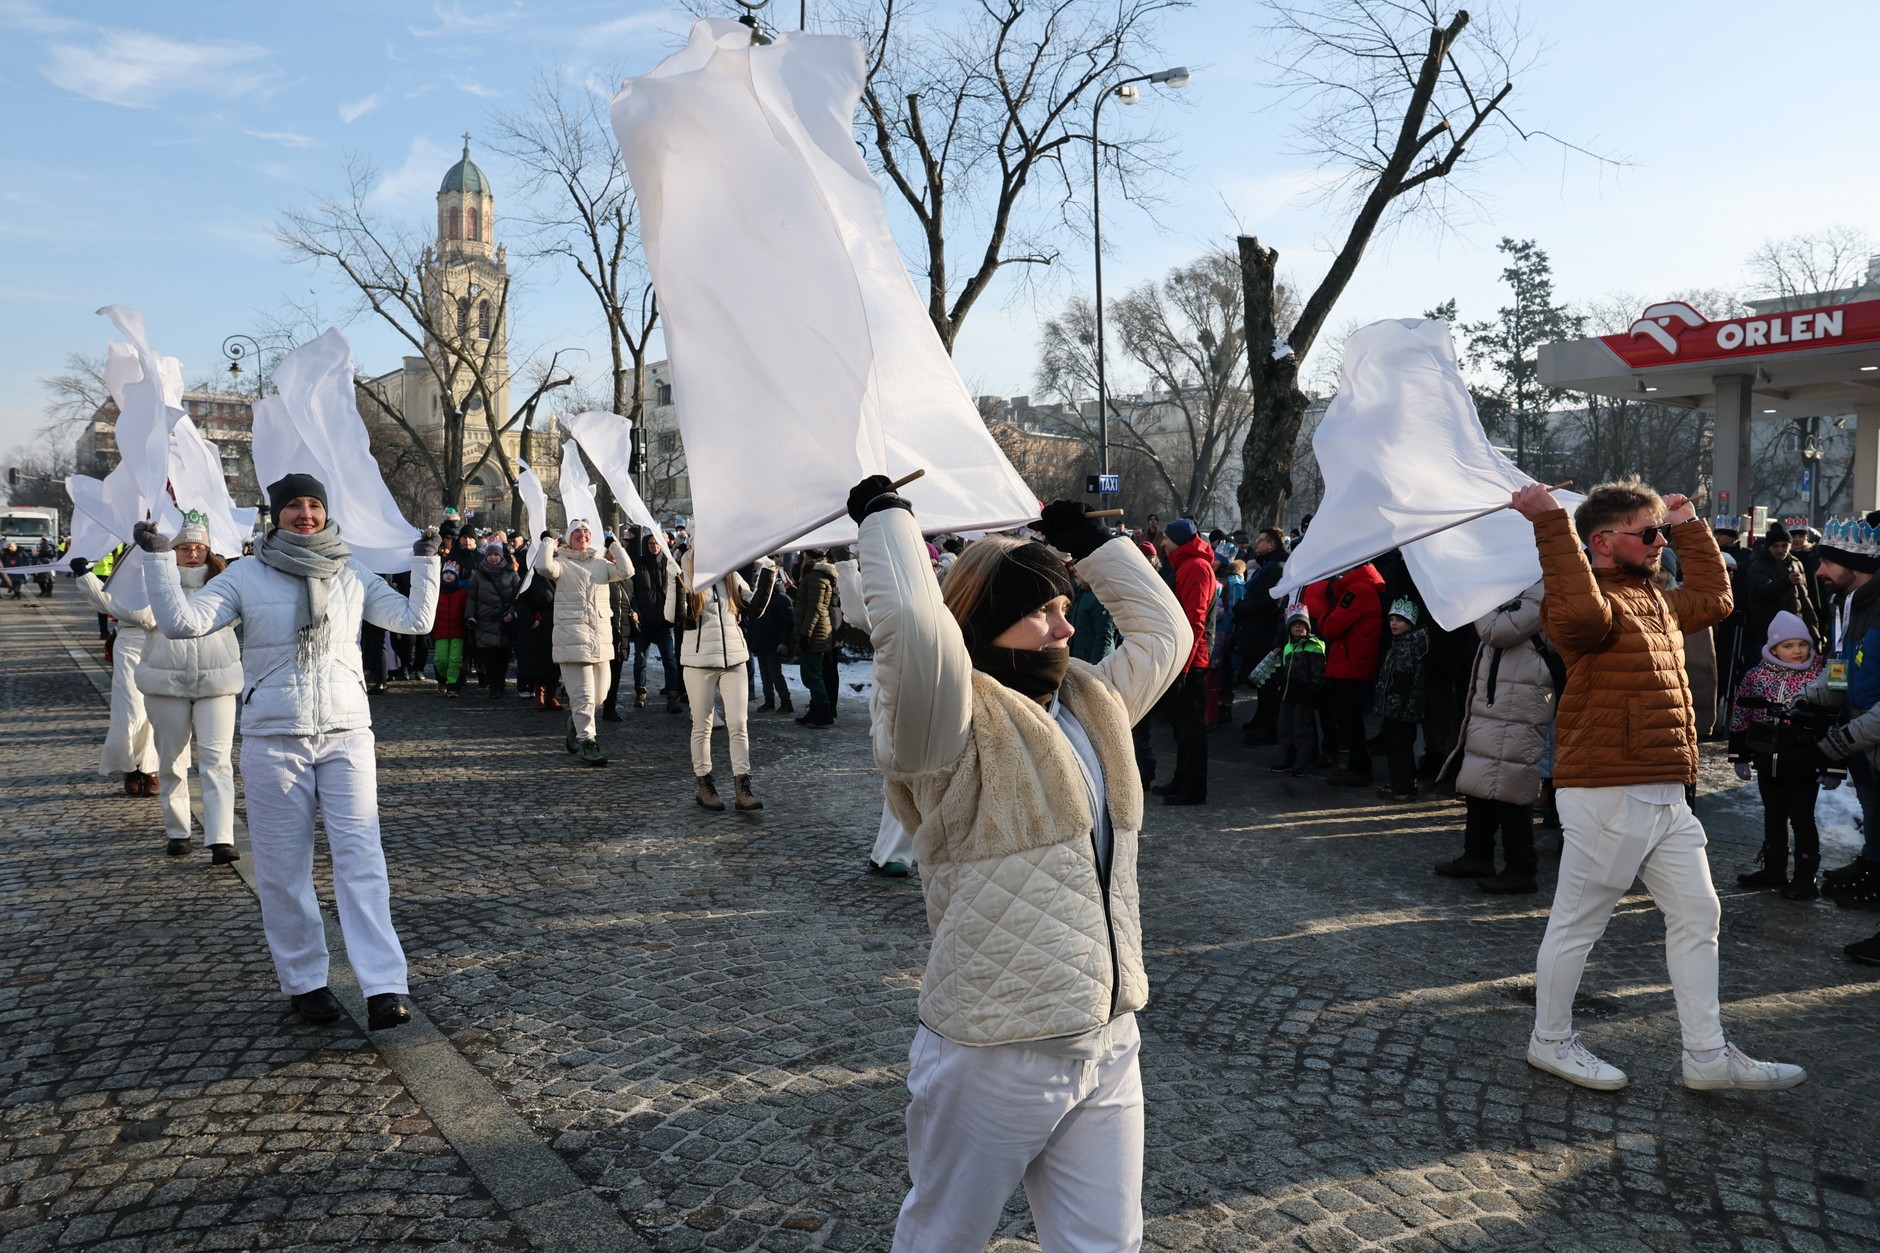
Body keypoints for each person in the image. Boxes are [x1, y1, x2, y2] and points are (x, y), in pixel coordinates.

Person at [850, 479, 1187, 1253]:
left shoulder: (1089, 700)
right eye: (1044, 610)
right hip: (995, 1047)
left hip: (1107, 1035)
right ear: (990, 622)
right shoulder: (944, 722)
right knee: (943, 1239)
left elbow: (1166, 635)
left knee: (1108, 1245)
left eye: (1064, 604)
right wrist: (887, 518)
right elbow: (913, 624)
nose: (1067, 624)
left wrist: (1095, 546)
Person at [1510, 478, 1804, 1092]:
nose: (1657, 543)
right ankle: (1550, 1040)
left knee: (1699, 913)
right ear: (1602, 541)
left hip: (1666, 789)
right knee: (1578, 923)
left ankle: (1705, 1055)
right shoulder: (1581, 602)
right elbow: (1585, 617)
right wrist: (1550, 526)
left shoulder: (1656, 598)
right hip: (1609, 789)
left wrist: (1689, 523)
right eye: (1648, 534)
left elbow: (1717, 599)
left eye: (1660, 534)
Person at [142, 473, 440, 1031]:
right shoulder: (246, 575)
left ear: (325, 512)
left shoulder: (351, 572)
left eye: (314, 505)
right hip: (274, 737)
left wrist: (425, 562)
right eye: (295, 506)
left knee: (362, 863)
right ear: (276, 514)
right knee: (283, 871)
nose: (305, 514)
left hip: (347, 732)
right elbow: (183, 624)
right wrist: (159, 558)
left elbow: (413, 620)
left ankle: (383, 987)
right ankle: (306, 981)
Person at [106, 524, 243, 861]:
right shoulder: (153, 585)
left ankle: (221, 839)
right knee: (171, 763)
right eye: (184, 548)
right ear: (172, 552)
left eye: (199, 548)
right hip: (167, 686)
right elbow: (134, 612)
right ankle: (178, 831)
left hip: (217, 685)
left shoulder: (225, 585)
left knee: (217, 763)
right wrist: (153, 565)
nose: (193, 554)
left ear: (209, 552)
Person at [1435, 582, 1556, 894]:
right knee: (1480, 774)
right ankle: (1477, 855)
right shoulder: (1517, 587)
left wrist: (1480, 596)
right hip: (1502, 694)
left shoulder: (1542, 589)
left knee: (1512, 781)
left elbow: (1496, 630)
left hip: (1522, 696)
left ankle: (1521, 868)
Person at [1791, 520, 1880, 931]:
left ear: (1854, 564)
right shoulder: (1848, 602)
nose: (1818, 571)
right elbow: (1843, 669)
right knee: (1872, 807)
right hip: (1864, 737)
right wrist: (1805, 700)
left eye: (1826, 562)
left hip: (1868, 732)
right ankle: (1873, 867)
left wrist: (1842, 740)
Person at [1727, 610, 1825, 898]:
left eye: (1802, 644)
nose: (1797, 651)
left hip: (1802, 760)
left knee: (1802, 816)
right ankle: (1774, 869)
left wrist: (1833, 765)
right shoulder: (1758, 675)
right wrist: (1739, 755)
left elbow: (1832, 718)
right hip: (1766, 756)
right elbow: (1741, 713)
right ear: (1773, 648)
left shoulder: (1819, 676)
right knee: (1773, 813)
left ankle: (1806, 877)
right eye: (1788, 646)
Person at [667, 550, 773, 810]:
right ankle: (705, 785)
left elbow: (754, 609)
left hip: (735, 660)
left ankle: (743, 787)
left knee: (739, 724)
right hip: (698, 662)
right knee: (702, 726)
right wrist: (674, 581)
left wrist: (768, 571)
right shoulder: (686, 575)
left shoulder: (731, 575)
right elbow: (674, 617)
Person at [533, 520, 634, 766]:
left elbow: (627, 571)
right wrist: (548, 540)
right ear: (568, 538)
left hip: (600, 638)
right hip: (572, 638)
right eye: (577, 532)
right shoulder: (562, 564)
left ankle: (575, 721)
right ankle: (589, 741)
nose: (582, 535)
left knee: (600, 695)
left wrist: (613, 543)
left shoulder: (601, 564)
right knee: (584, 695)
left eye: (586, 532)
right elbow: (543, 567)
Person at [76, 552, 160, 795]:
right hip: (129, 642)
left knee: (158, 709)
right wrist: (86, 575)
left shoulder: (167, 572)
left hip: (162, 642)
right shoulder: (125, 575)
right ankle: (131, 767)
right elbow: (107, 601)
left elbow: (145, 614)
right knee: (129, 708)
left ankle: (151, 769)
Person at [1154, 517, 1216, 806]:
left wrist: (1185, 665)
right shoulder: (1189, 564)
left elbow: (1195, 620)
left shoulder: (1195, 567)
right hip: (1186, 658)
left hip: (1190, 661)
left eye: (1167, 538)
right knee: (1182, 727)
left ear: (1179, 540)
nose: (1162, 543)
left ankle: (1192, 788)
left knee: (1190, 728)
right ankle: (1182, 780)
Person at [1312, 561, 1386, 786]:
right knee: (1348, 718)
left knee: (1350, 719)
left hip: (1350, 663)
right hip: (1349, 661)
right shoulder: (1360, 588)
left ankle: (1359, 767)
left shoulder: (1358, 590)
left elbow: (1331, 626)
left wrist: (1324, 616)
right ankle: (1357, 765)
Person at [1249, 604, 1325, 776]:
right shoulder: (1288, 647)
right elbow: (1283, 669)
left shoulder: (1315, 646)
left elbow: (1318, 674)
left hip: (1304, 696)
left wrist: (1313, 693)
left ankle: (1301, 763)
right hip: (1287, 694)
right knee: (1284, 728)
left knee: (1301, 730)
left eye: (1302, 624)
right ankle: (1285, 760)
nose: (1298, 627)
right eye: (1294, 624)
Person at [1736, 522, 1820, 665]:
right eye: (1776, 546)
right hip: (1768, 631)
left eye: (1784, 545)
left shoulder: (1796, 563)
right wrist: (1785, 581)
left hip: (1796, 630)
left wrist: (1813, 630)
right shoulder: (1758, 565)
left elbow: (1805, 599)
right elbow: (1762, 590)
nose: (1780, 550)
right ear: (1768, 547)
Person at [1373, 598, 1428, 801]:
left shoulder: (1406, 646)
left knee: (1399, 748)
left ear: (1410, 623)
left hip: (1400, 711)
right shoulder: (1401, 643)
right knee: (1399, 747)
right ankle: (1402, 783)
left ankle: (1403, 787)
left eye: (1400, 620)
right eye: (1392, 619)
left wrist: (1393, 711)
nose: (1394, 624)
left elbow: (1401, 683)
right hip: (1401, 710)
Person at [629, 532, 681, 713]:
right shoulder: (638, 564)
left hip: (664, 623)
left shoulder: (669, 565)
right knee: (640, 661)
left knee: (670, 661)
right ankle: (640, 692)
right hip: (644, 622)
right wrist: (634, 610)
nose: (654, 546)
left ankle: (672, 696)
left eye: (657, 543)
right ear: (646, 544)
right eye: (651, 543)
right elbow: (632, 592)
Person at [465, 541, 520, 699]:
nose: (493, 558)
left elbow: (518, 597)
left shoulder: (511, 573)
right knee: (489, 657)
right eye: (490, 555)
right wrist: (470, 615)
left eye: (496, 554)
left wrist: (511, 613)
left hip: (505, 622)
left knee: (503, 656)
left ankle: (501, 681)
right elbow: (472, 598)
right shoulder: (479, 575)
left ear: (501, 556)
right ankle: (493, 686)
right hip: (485, 621)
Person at [792, 547, 839, 727]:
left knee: (811, 675)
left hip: (815, 633)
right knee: (812, 674)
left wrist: (805, 633)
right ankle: (815, 710)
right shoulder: (815, 574)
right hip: (816, 630)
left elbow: (816, 608)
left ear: (807, 554)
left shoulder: (816, 576)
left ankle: (823, 712)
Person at [429, 562, 469, 697]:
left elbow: (466, 610)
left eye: (451, 573)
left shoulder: (462, 593)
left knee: (455, 659)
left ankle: (453, 686)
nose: (448, 575)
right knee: (441, 659)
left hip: (458, 632)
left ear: (456, 576)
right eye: (446, 573)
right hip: (441, 631)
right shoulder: (437, 592)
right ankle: (441, 679)